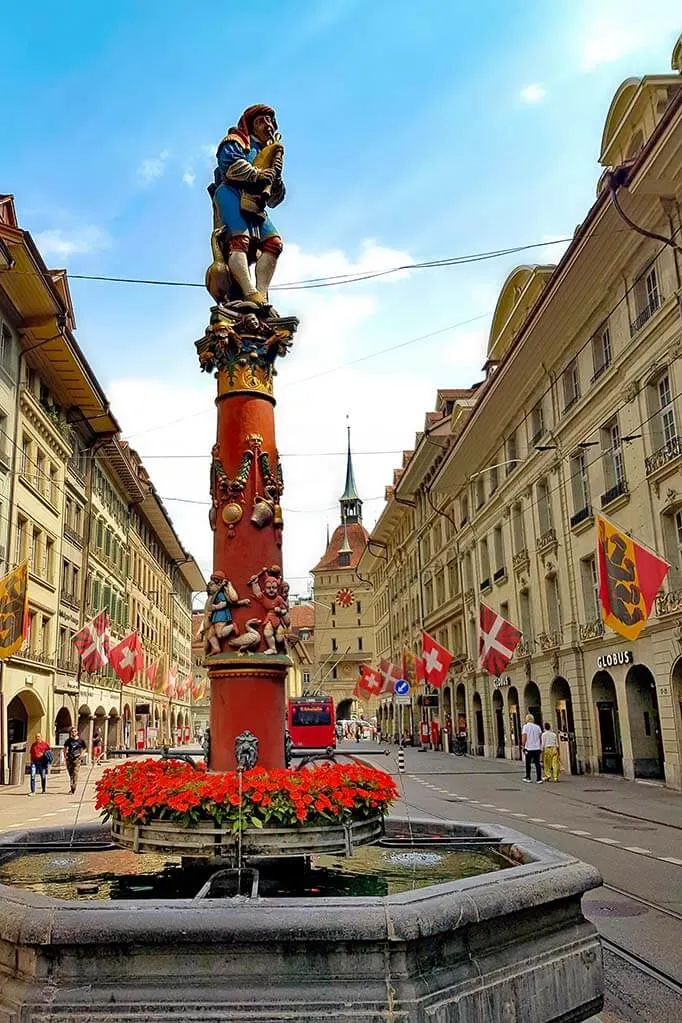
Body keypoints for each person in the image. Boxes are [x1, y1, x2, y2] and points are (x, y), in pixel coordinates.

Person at [210, 104, 285, 306]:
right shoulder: (236, 142)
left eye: (270, 122)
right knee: (239, 240)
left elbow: (275, 199)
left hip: (256, 202)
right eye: (261, 121)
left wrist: (275, 179)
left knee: (274, 244)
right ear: (250, 125)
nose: (267, 126)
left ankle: (261, 294)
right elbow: (230, 165)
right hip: (231, 193)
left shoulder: (268, 152)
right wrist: (259, 174)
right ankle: (248, 290)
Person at [64, 727, 87, 794]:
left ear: (77, 732)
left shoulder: (80, 740)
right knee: (70, 774)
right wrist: (65, 756)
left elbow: (85, 748)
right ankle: (72, 786)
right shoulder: (68, 740)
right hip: (69, 758)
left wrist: (82, 754)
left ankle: (73, 787)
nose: (73, 733)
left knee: (75, 773)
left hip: (77, 759)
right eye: (72, 731)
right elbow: (65, 748)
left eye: (75, 731)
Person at [521, 713, 543, 783]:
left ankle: (528, 777)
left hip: (529, 748)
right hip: (537, 747)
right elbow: (540, 737)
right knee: (537, 763)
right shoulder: (537, 727)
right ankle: (539, 778)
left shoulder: (525, 727)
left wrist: (523, 745)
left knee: (528, 763)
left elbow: (524, 736)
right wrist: (540, 745)